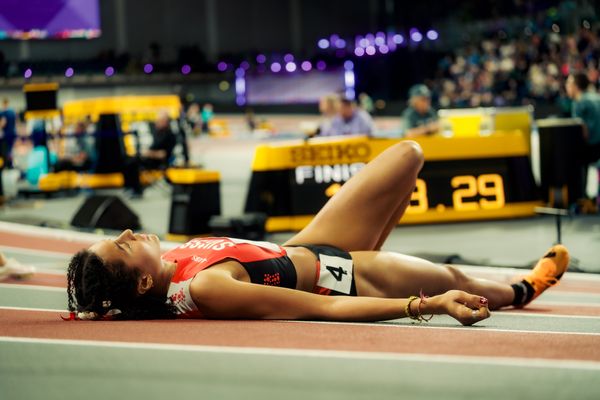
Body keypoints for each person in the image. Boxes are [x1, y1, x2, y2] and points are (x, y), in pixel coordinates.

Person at [66, 141, 569, 324]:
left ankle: (387, 255)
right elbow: (324, 309)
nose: (130, 230)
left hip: (307, 245)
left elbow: (99, 297)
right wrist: (425, 304)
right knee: (457, 278)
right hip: (346, 276)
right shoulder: (205, 287)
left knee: (407, 157)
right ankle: (526, 288)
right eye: (122, 245)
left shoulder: (169, 260)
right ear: (141, 284)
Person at [565, 72, 600, 199]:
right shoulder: (596, 97)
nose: (566, 86)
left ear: (576, 86)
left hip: (592, 147)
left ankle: (579, 198)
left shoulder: (579, 102)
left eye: (569, 83)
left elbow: (583, 131)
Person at [0, 98, 17, 168]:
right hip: (13, 133)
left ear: (4, 104)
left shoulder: (3, 113)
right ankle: (11, 163)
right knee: (10, 149)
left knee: (5, 150)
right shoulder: (12, 112)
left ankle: (6, 164)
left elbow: (3, 123)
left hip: (6, 134)